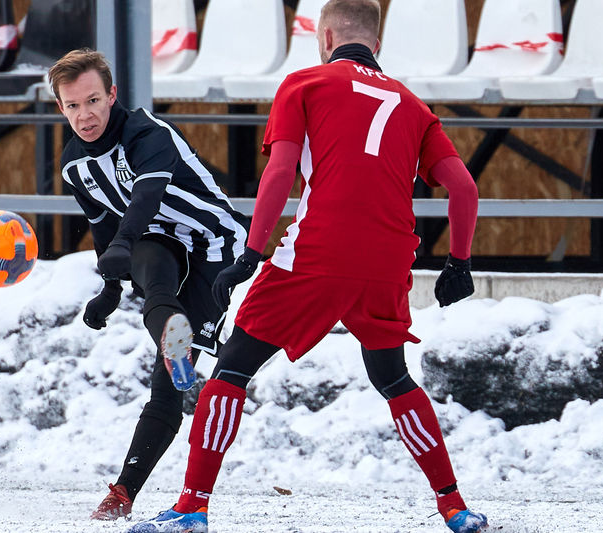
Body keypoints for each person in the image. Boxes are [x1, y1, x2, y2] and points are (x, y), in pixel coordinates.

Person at [127, 1, 488, 532]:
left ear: (325, 38)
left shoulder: (305, 84)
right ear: (376, 45)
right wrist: (459, 261)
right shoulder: (413, 106)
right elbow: (464, 188)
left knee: (232, 369)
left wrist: (251, 252)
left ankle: (191, 506)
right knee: (393, 378)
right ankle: (454, 507)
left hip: (317, 254)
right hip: (387, 263)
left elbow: (278, 173)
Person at [47, 48, 249, 521]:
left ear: (112, 94)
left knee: (164, 389)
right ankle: (121, 494)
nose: (85, 114)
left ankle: (174, 349)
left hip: (215, 245)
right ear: (60, 107)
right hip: (155, 241)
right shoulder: (74, 164)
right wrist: (110, 287)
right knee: (155, 289)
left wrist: (122, 244)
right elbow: (101, 223)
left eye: (93, 100)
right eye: (72, 105)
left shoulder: (147, 133)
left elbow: (145, 197)